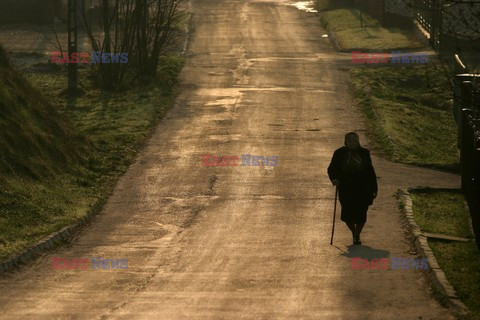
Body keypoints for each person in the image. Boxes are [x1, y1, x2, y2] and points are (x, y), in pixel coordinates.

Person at [327, 132, 378, 245]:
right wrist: (334, 179)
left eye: (354, 140)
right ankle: (353, 232)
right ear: (346, 142)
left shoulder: (364, 153)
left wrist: (374, 188)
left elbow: (370, 171)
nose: (352, 143)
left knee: (361, 213)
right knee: (347, 214)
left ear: (358, 141)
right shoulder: (339, 153)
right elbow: (331, 168)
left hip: (362, 188)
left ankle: (357, 235)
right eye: (349, 141)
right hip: (346, 188)